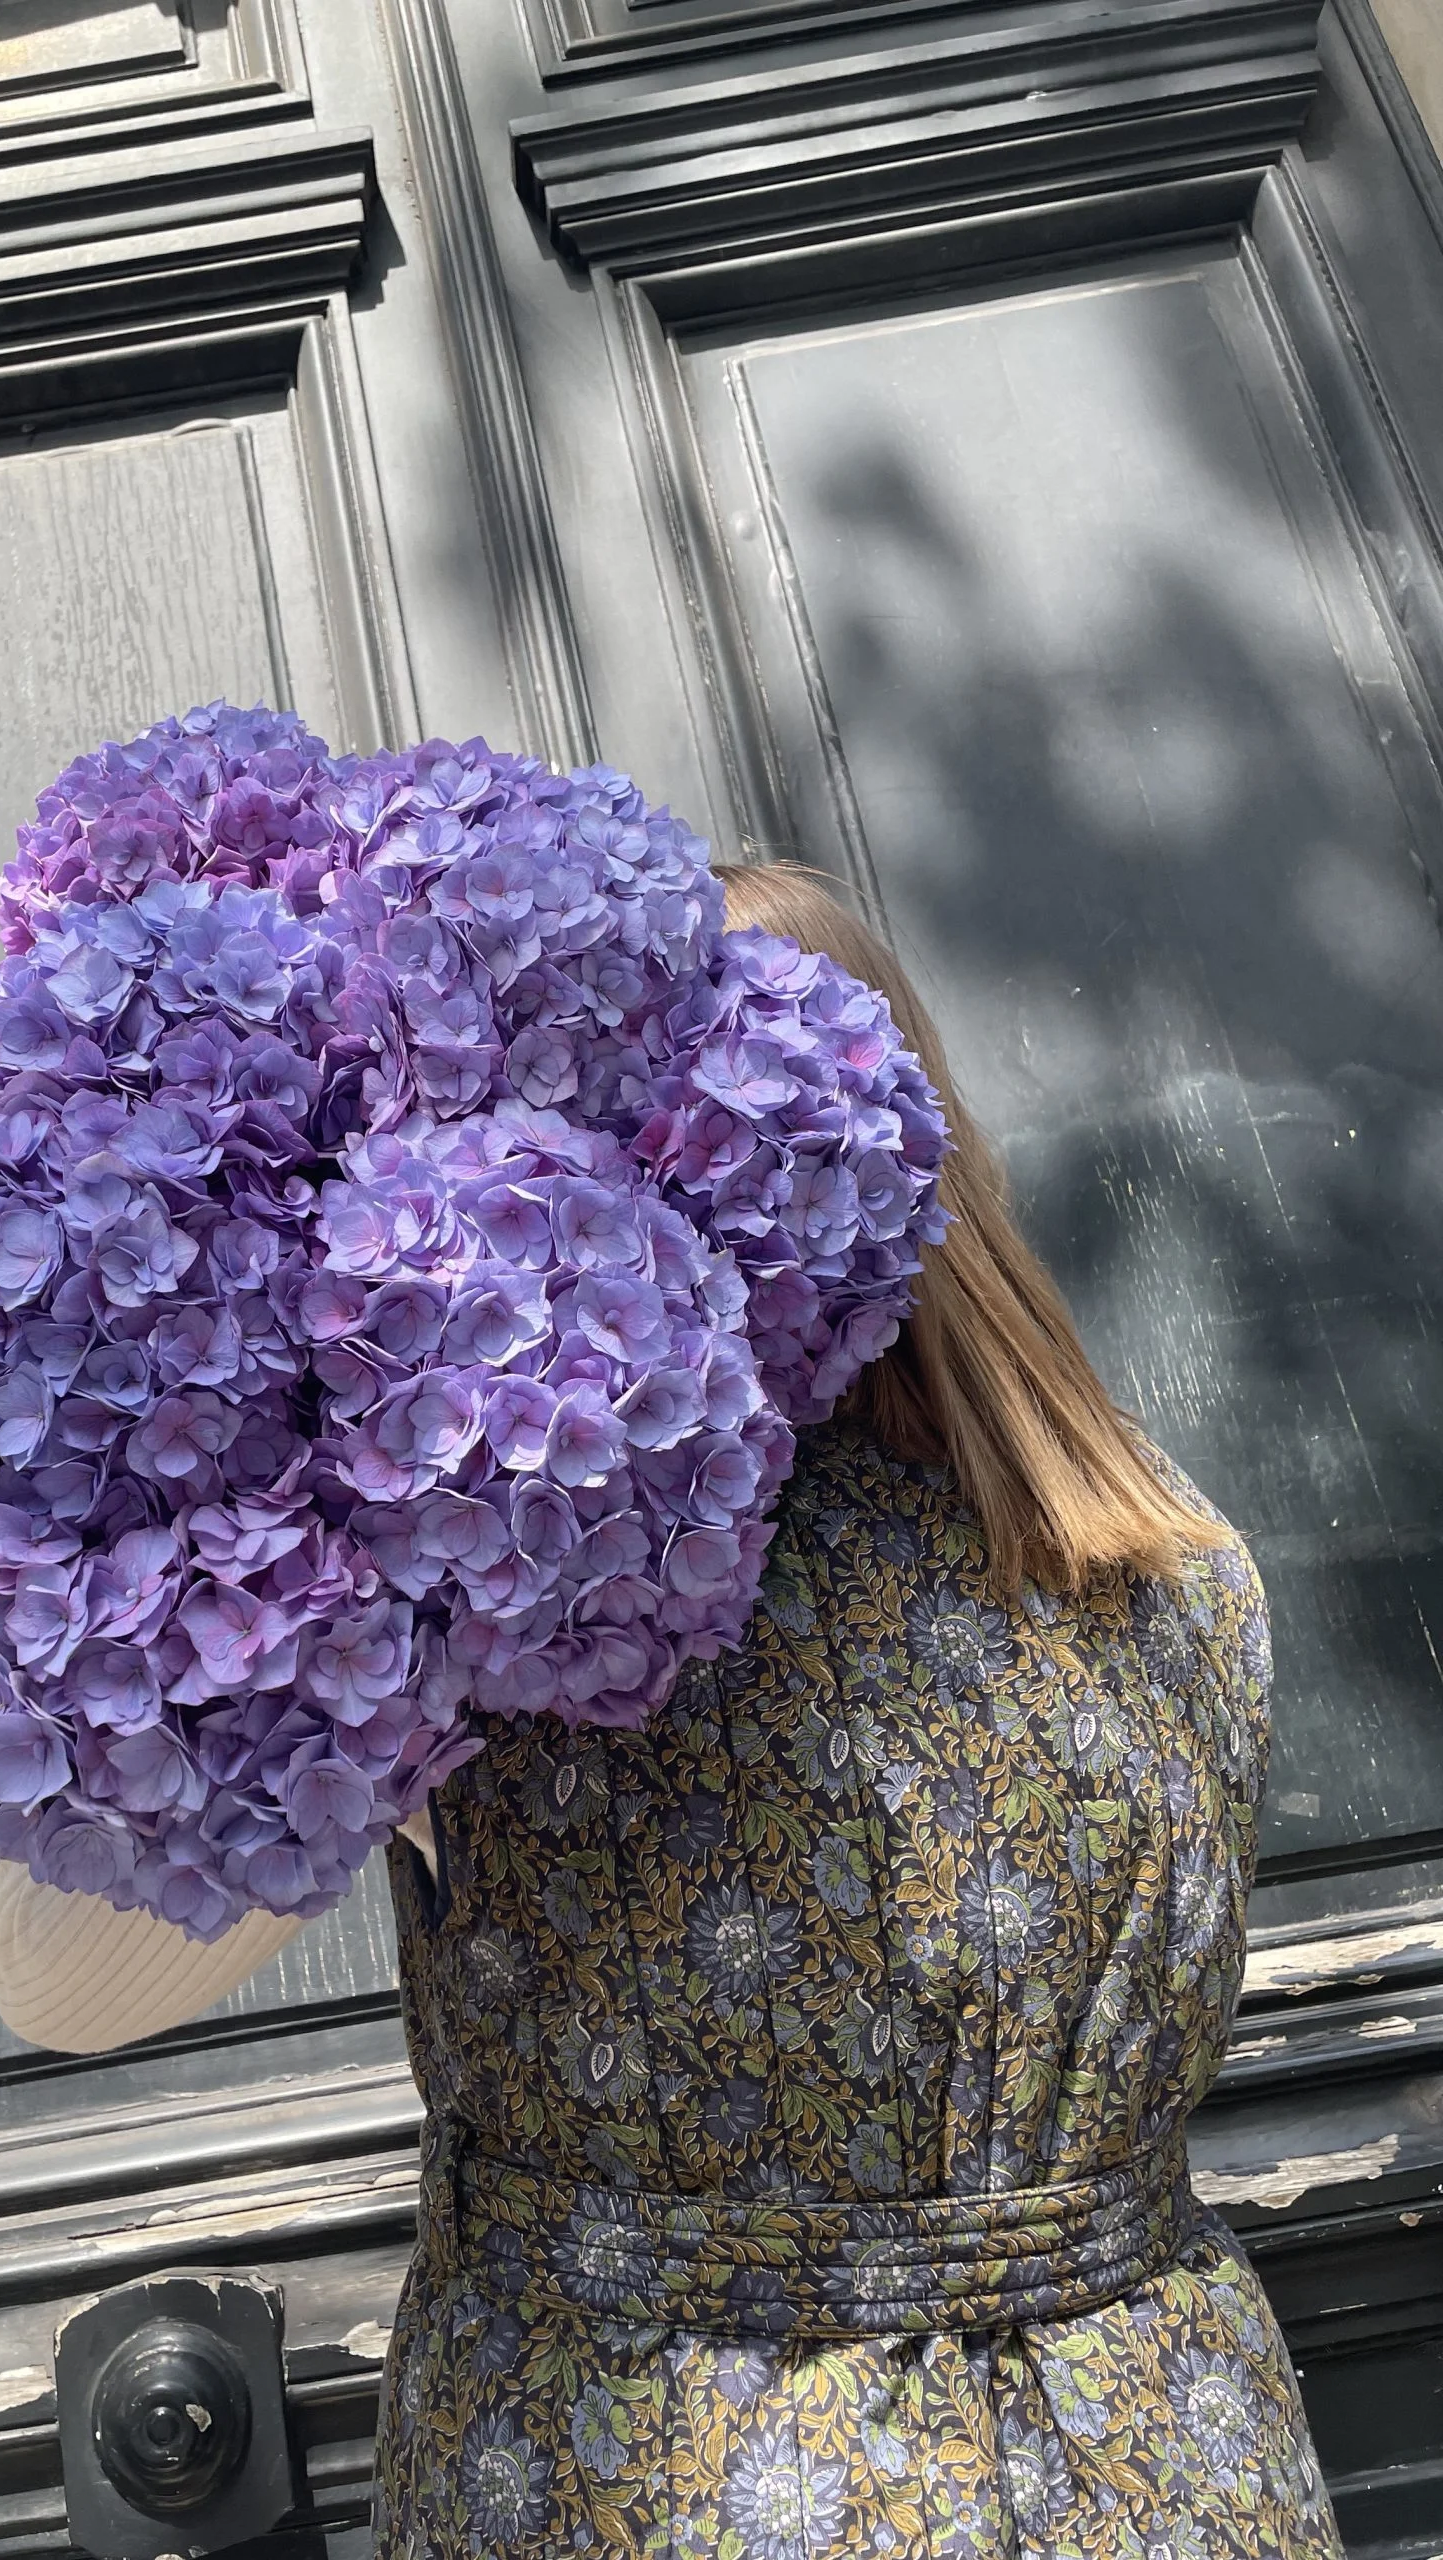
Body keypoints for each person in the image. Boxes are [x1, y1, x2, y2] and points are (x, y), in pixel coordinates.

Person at [369, 866, 1341, 2558]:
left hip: (657, 2479)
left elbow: (71, 1973)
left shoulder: (526, 1601)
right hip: (1162, 2462)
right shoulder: (1176, 1559)